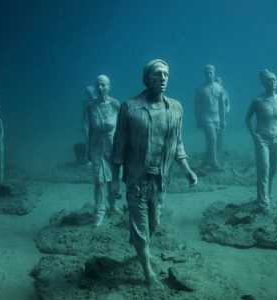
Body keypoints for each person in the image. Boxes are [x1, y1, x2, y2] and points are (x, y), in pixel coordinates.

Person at [112, 59, 197, 289]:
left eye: (166, 74)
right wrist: (113, 180)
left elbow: (178, 143)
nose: (162, 78)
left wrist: (187, 169)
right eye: (157, 74)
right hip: (136, 178)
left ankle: (140, 246)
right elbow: (118, 145)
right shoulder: (129, 107)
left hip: (161, 180)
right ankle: (148, 271)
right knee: (141, 226)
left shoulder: (176, 108)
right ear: (146, 78)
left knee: (154, 223)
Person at [245, 70, 277, 213]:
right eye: (269, 80)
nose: (272, 82)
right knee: (264, 170)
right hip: (262, 139)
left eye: (274, 79)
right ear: (263, 83)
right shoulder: (258, 101)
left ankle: (267, 195)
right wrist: (253, 135)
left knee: (273, 170)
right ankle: (263, 203)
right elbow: (247, 118)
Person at [87, 76, 120, 226]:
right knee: (98, 180)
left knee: (113, 178)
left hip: (112, 146)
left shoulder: (115, 105)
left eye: (103, 85)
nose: (100, 88)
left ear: (109, 86)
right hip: (96, 147)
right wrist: (88, 149)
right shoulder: (91, 106)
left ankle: (113, 204)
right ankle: (99, 211)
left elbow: (121, 129)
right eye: (98, 85)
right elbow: (90, 129)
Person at [195, 65, 227, 170]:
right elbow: (197, 106)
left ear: (214, 73)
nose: (209, 74)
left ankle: (205, 161)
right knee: (212, 140)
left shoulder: (219, 88)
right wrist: (198, 120)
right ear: (204, 74)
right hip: (206, 118)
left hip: (217, 119)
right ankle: (214, 163)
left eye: (211, 72)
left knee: (211, 141)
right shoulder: (200, 89)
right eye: (207, 73)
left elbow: (222, 105)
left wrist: (223, 120)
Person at [214, 76, 230, 152]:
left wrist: (227, 110)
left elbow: (228, 102)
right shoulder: (212, 91)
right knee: (214, 131)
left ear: (221, 82)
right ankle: (213, 148)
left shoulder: (225, 92)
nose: (217, 82)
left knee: (222, 131)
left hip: (222, 114)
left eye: (218, 81)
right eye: (216, 81)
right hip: (213, 114)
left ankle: (220, 148)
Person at [81, 86, 96, 164]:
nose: (89, 93)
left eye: (90, 92)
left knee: (96, 141)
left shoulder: (97, 100)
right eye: (87, 92)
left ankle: (96, 158)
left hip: (95, 124)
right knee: (87, 141)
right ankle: (88, 159)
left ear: (93, 91)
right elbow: (83, 114)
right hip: (87, 124)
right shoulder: (85, 102)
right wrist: (82, 125)